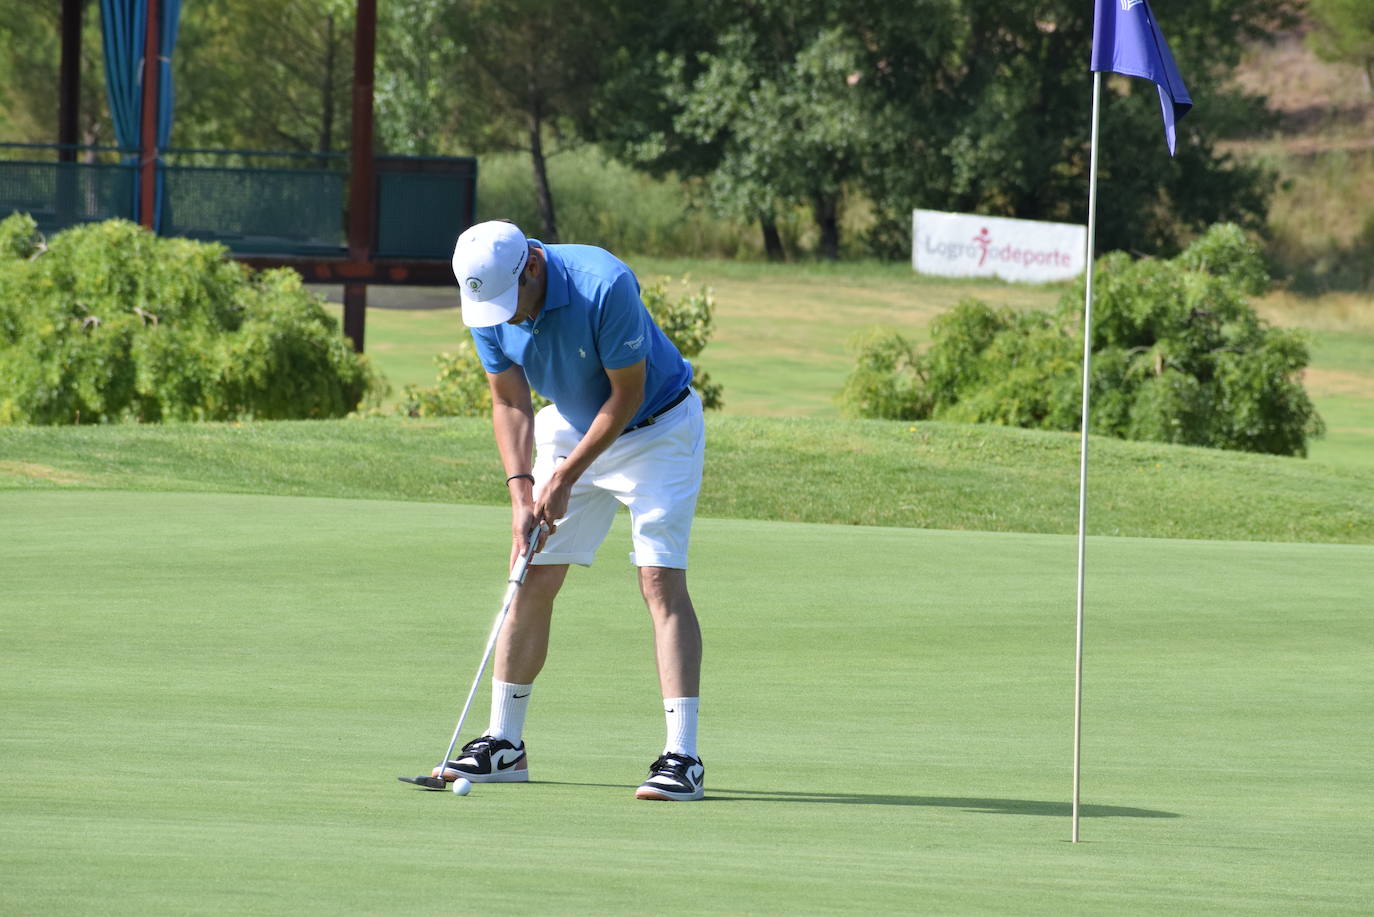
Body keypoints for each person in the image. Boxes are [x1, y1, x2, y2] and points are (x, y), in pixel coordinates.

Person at [433, 220, 706, 801]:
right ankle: (504, 744)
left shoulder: (602, 283)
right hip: (573, 427)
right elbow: (509, 401)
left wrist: (564, 478)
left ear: (532, 266)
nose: (504, 319)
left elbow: (626, 395)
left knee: (659, 581)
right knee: (529, 570)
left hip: (657, 428)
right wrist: (521, 490)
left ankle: (683, 756)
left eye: (512, 304)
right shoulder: (488, 301)